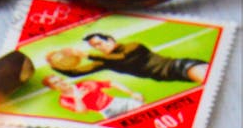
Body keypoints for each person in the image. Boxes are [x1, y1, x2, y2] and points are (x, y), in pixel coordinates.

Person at [47, 32, 208, 84]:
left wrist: (86, 54)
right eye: (94, 47)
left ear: (110, 40)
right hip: (170, 76)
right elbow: (75, 72)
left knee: (212, 78)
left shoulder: (133, 46)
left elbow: (122, 58)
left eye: (99, 43)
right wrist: (54, 64)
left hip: (178, 66)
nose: (98, 48)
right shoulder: (104, 61)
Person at [42, 74, 144, 118]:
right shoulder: (64, 101)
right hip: (108, 112)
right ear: (53, 88)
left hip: (118, 102)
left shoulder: (84, 84)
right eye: (56, 83)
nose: (61, 83)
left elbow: (112, 83)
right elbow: (82, 111)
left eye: (60, 80)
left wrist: (131, 93)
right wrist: (78, 98)